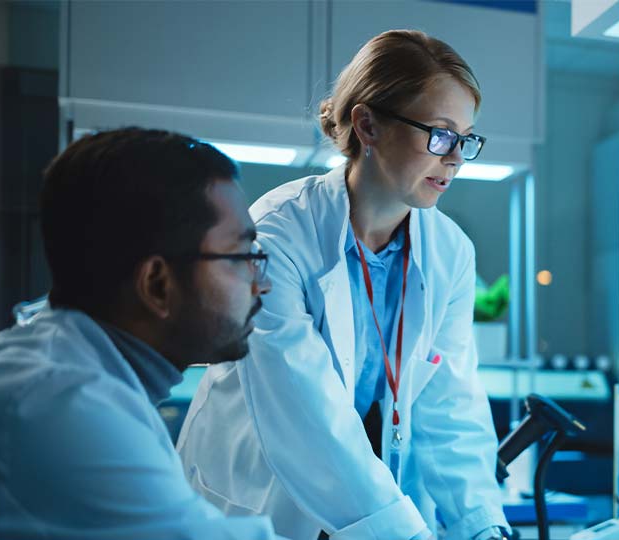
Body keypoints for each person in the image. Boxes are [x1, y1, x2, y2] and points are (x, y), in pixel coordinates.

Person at [177, 30, 510, 540]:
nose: (456, 157)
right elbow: (304, 416)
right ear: (368, 124)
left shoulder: (451, 253)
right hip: (255, 500)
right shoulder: (278, 232)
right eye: (440, 134)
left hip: (360, 503)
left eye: (466, 138)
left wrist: (484, 526)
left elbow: (450, 408)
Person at [0, 128, 280, 539]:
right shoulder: (63, 402)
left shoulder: (69, 364)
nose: (261, 283)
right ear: (157, 283)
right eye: (242, 256)